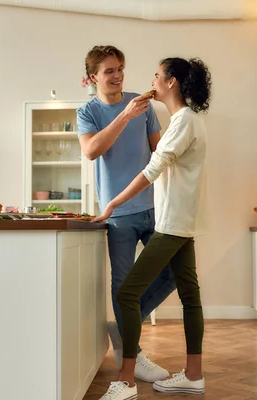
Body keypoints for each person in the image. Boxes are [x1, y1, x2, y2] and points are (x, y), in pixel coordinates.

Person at [94, 57, 212, 400]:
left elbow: (153, 168)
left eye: (158, 76)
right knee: (190, 297)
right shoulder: (186, 120)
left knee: (127, 294)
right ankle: (193, 375)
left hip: (173, 223)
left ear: (171, 82)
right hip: (181, 220)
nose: (153, 80)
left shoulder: (183, 121)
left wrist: (113, 203)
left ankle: (127, 382)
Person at [76, 45, 176, 383]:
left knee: (176, 270)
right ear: (93, 77)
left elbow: (160, 151)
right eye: (109, 71)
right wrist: (124, 116)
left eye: (119, 68)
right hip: (117, 212)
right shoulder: (87, 111)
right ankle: (132, 354)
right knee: (124, 285)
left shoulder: (143, 105)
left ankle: (122, 331)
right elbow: (91, 151)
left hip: (155, 207)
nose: (117, 75)